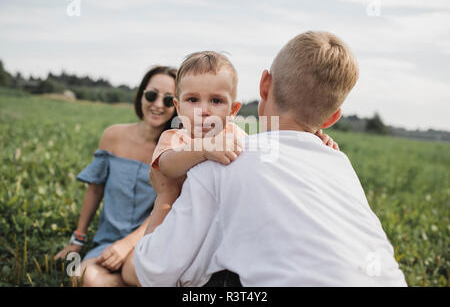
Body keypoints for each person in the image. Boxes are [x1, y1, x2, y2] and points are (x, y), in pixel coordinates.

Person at [125, 31, 407, 286]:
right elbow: (168, 162)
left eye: (216, 101)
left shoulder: (224, 160)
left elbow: (150, 272)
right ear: (332, 118)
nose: (204, 111)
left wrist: (164, 199)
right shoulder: (340, 164)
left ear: (263, 85)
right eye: (193, 100)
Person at [54, 66, 178, 287]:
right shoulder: (113, 136)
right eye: (151, 95)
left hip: (149, 242)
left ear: (176, 107)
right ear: (140, 95)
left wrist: (128, 244)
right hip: (107, 241)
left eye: (169, 100)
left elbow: (167, 205)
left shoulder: (175, 150)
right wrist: (78, 239)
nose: (158, 104)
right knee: (80, 277)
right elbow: (95, 190)